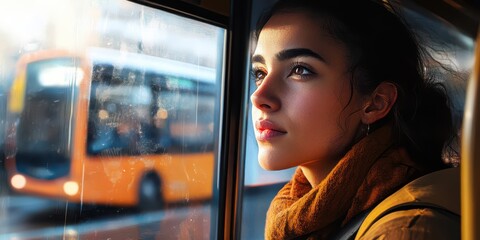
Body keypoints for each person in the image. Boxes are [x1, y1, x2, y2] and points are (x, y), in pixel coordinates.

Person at [250, 0, 461, 239]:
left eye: (300, 70)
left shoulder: (402, 231)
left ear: (375, 103)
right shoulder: (311, 210)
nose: (259, 96)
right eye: (260, 73)